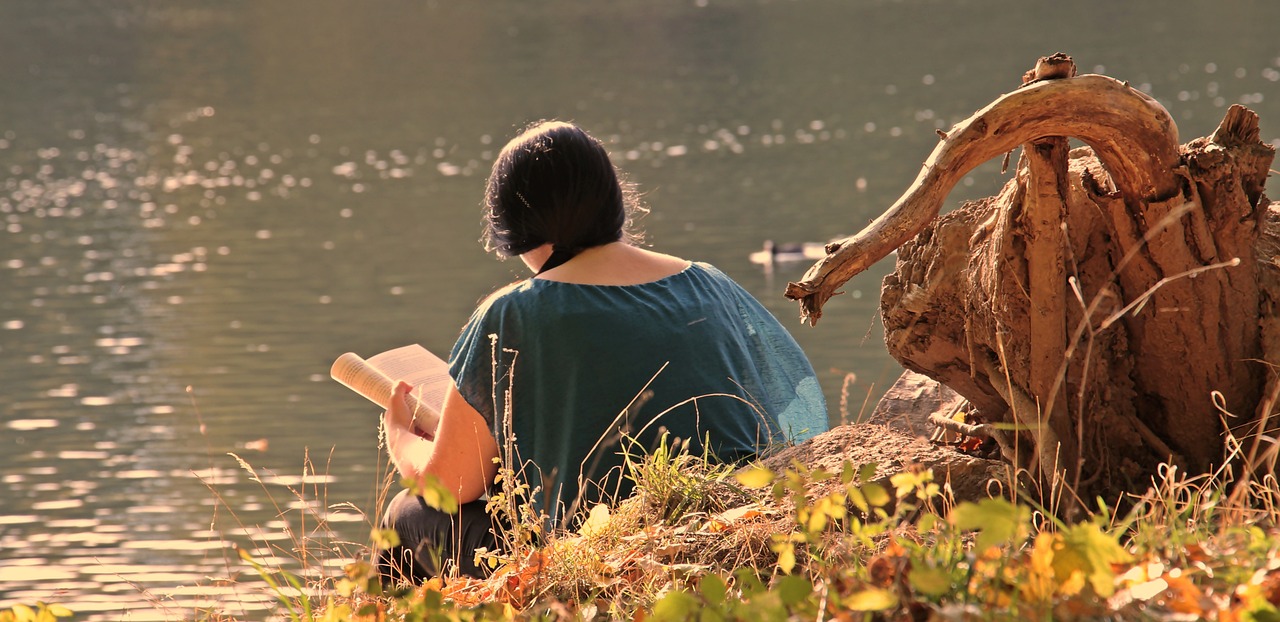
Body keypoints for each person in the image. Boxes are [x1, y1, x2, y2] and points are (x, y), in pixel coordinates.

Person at [375, 121, 827, 584]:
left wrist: (401, 438)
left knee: (405, 514)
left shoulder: (513, 313)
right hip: (730, 527)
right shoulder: (708, 282)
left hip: (597, 554)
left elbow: (449, 487)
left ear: (516, 223)